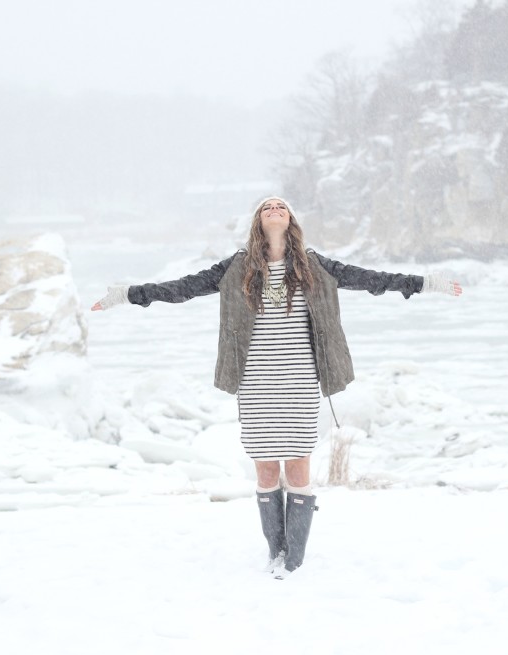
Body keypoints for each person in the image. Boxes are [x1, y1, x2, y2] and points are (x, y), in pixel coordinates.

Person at [92, 197, 462, 578]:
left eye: (281, 206)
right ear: (257, 220)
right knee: (267, 471)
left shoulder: (314, 266)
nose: (274, 208)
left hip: (299, 380)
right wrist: (127, 294)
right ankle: (276, 554)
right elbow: (182, 288)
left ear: (291, 219)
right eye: (266, 206)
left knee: (299, 468)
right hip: (255, 382)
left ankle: (294, 560)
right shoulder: (236, 268)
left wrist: (427, 283)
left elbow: (372, 280)